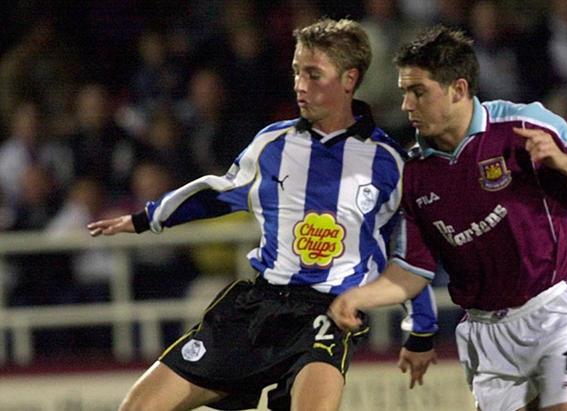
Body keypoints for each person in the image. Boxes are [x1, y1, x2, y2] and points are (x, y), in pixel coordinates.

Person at [87, 18, 437, 411]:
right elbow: (218, 193)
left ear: (349, 79)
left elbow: (409, 257)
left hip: (328, 314)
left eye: (313, 74)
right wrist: (145, 219)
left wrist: (421, 330)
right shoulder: (272, 144)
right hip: (258, 304)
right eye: (296, 71)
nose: (299, 84)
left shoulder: (389, 163)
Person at [329, 26, 567, 411]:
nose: (406, 105)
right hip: (486, 336)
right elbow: (412, 270)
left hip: (555, 311)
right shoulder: (413, 174)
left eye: (418, 91)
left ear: (458, 89)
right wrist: (358, 297)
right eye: (404, 92)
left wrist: (562, 161)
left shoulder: (523, 125)